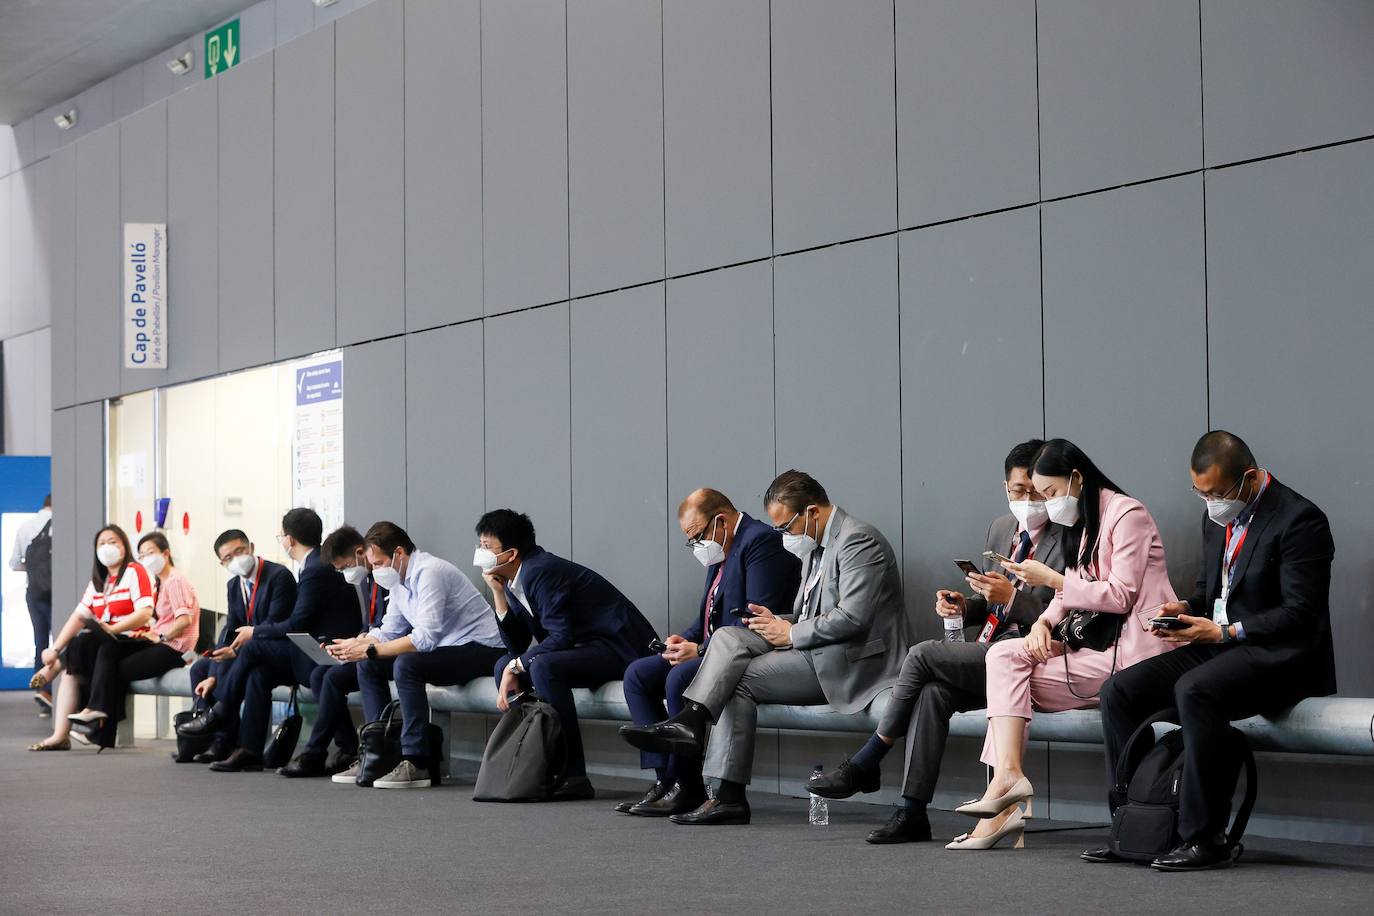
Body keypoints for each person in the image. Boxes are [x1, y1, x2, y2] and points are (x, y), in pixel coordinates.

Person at [1085, 431, 1336, 871]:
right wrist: (1183, 610)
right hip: (1225, 643)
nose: (1211, 504)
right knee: (1119, 691)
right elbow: (1209, 593)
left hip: (1283, 654)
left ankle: (1203, 836)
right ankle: (1134, 826)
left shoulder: (1301, 520)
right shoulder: (1216, 519)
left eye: (1219, 493)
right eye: (1202, 494)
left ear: (1251, 479)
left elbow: (1300, 613)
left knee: (1195, 690)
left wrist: (1224, 633)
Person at [807, 440, 1069, 844]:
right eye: (1019, 490)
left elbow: (1063, 614)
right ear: (1006, 488)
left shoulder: (1067, 535)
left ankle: (868, 760)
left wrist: (1013, 599)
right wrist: (967, 608)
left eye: (1036, 491)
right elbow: (993, 603)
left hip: (1032, 656)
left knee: (922, 654)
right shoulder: (1001, 528)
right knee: (932, 693)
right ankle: (912, 811)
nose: (1029, 499)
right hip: (990, 650)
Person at [621, 470, 910, 826]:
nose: (784, 537)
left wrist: (788, 633)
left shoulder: (858, 540)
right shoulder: (816, 546)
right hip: (816, 650)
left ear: (813, 512)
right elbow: (810, 614)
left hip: (853, 661)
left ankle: (724, 791)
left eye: (786, 527)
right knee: (729, 636)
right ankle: (696, 730)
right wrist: (776, 620)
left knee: (735, 678)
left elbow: (852, 619)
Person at [950, 439, 1177, 850]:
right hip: (1093, 650)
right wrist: (1041, 623)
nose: (1048, 503)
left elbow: (1120, 595)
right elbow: (1066, 598)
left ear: (1076, 477)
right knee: (1003, 659)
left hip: (1133, 655)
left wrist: (1051, 579)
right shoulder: (1085, 522)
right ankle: (1009, 780)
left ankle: (1002, 810)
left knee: (1007, 694)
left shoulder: (1128, 514)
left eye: (1050, 493)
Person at [616, 488, 801, 817]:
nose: (697, 546)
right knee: (638, 675)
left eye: (698, 536)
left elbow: (756, 617)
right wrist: (683, 640)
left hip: (749, 650)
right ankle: (665, 780)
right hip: (713, 646)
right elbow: (709, 614)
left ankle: (687, 785)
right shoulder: (720, 551)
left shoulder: (759, 542)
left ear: (722, 521)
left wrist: (698, 648)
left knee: (679, 678)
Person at [476, 509, 659, 800]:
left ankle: (572, 774)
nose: (480, 553)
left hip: (619, 647)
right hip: (585, 648)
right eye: (480, 545)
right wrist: (499, 596)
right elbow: (517, 645)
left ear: (511, 553)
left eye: (488, 547)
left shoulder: (540, 570)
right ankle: (534, 763)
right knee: (505, 665)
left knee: (543, 667)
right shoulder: (512, 579)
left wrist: (518, 664)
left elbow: (560, 637)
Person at [323, 522, 507, 788]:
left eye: (378, 563)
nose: (375, 570)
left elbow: (425, 638)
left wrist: (371, 649)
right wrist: (356, 646)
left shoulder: (430, 572)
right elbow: (390, 630)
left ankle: (416, 760)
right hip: (450, 648)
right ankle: (379, 753)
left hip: (483, 648)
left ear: (399, 553)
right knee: (368, 666)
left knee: (407, 664)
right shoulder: (398, 580)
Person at [177, 508, 358, 772]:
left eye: (281, 537)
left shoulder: (309, 570)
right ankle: (249, 749)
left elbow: (295, 623)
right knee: (257, 675)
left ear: (290, 540)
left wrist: (254, 632)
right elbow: (232, 629)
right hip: (312, 648)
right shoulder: (311, 565)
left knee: (254, 648)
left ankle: (221, 712)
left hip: (320, 651)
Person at [64, 532, 200, 748]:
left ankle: (98, 726)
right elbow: (165, 619)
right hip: (159, 641)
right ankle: (96, 722)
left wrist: (160, 635)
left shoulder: (175, 581)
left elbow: (184, 620)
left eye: (151, 553)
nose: (146, 559)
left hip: (174, 648)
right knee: (108, 649)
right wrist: (150, 632)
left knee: (114, 668)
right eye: (142, 555)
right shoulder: (161, 582)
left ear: (166, 554)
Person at [27, 525, 155, 751]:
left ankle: (52, 669)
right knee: (77, 650)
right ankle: (59, 735)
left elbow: (145, 613)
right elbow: (78, 616)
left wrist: (113, 629)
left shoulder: (135, 571)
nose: (108, 547)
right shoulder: (99, 581)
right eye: (102, 543)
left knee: (83, 642)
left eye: (113, 542)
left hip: (133, 641)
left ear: (124, 547)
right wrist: (54, 648)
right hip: (106, 642)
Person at [278, 524, 387, 778]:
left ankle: (315, 752)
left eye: (345, 566)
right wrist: (349, 643)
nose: (345, 573)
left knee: (332, 678)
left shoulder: (383, 576)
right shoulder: (367, 580)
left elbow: (390, 627)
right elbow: (370, 625)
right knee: (319, 675)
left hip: (386, 652)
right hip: (370, 646)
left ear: (360, 553)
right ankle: (348, 748)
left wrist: (358, 643)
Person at [182, 529, 297, 763]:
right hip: (247, 653)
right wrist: (215, 672)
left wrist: (232, 653)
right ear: (222, 563)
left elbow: (275, 625)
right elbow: (231, 628)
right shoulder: (234, 584)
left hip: (276, 652)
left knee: (255, 674)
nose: (235, 559)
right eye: (228, 558)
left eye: (239, 551)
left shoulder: (278, 576)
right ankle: (219, 742)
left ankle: (231, 735)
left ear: (251, 548)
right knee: (200, 669)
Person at [10, 493, 53, 716]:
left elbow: (14, 563)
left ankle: (43, 689)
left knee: (40, 640)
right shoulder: (60, 524)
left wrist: (36, 572)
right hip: (58, 591)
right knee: (61, 642)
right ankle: (57, 691)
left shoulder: (25, 527)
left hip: (34, 592)